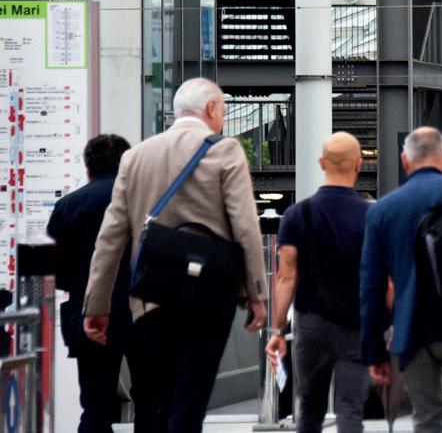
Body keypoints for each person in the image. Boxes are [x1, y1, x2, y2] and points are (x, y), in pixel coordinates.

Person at [83, 78, 269, 431]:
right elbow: (245, 225)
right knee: (191, 397)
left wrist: (97, 305)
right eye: (223, 111)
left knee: (159, 398)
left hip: (151, 296)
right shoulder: (225, 151)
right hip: (209, 295)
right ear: (211, 108)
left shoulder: (135, 157)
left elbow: (110, 237)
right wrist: (256, 294)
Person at [360, 127, 442, 433]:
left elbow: (371, 285)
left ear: (404, 161)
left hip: (412, 326)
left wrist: (374, 349)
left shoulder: (383, 209)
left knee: (426, 418)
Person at [266, 133, 371, 433]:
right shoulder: (372, 215)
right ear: (358, 165)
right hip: (355, 324)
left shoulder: (297, 214)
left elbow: (286, 276)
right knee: (350, 409)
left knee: (310, 411)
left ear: (321, 162)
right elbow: (381, 276)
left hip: (311, 324)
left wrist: (277, 330)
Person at [47, 134, 132, 433]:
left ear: (88, 167)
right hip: (140, 313)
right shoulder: (142, 202)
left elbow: (56, 271)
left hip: (90, 316)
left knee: (96, 407)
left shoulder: (68, 206)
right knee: (152, 401)